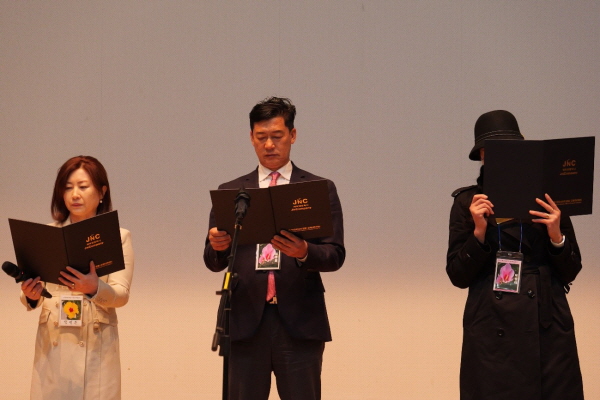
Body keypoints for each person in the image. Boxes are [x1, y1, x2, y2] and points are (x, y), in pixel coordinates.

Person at [204, 97, 345, 400]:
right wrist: (217, 246)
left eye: (277, 136)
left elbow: (335, 255)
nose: (269, 145)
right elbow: (213, 261)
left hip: (299, 322)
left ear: (292, 135)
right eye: (261, 137)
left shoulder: (318, 188)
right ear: (251, 138)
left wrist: (304, 251)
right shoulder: (232, 191)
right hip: (244, 320)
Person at [446, 110, 584, 400]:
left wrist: (556, 235)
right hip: (491, 324)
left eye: (512, 149)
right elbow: (457, 275)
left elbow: (572, 270)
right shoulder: (467, 202)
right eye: (494, 150)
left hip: (546, 322)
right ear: (482, 155)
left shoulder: (549, 197)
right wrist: (478, 232)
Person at [19, 156, 134, 400]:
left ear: (101, 192)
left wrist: (94, 288)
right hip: (53, 350)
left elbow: (121, 295)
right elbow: (34, 293)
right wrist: (30, 295)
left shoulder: (117, 236)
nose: (75, 194)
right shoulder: (46, 235)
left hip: (96, 349)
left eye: (83, 186)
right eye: (68, 187)